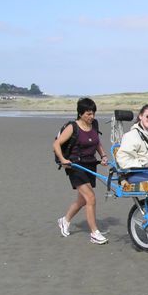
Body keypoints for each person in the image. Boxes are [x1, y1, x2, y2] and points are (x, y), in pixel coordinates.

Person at [54, 97, 109, 244]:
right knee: (90, 198)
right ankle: (94, 233)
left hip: (90, 164)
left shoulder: (94, 124)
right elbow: (56, 144)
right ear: (80, 114)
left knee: (82, 200)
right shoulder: (73, 127)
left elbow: (97, 142)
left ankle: (64, 220)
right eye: (88, 114)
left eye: (93, 114)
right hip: (75, 166)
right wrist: (63, 159)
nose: (92, 117)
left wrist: (103, 155)